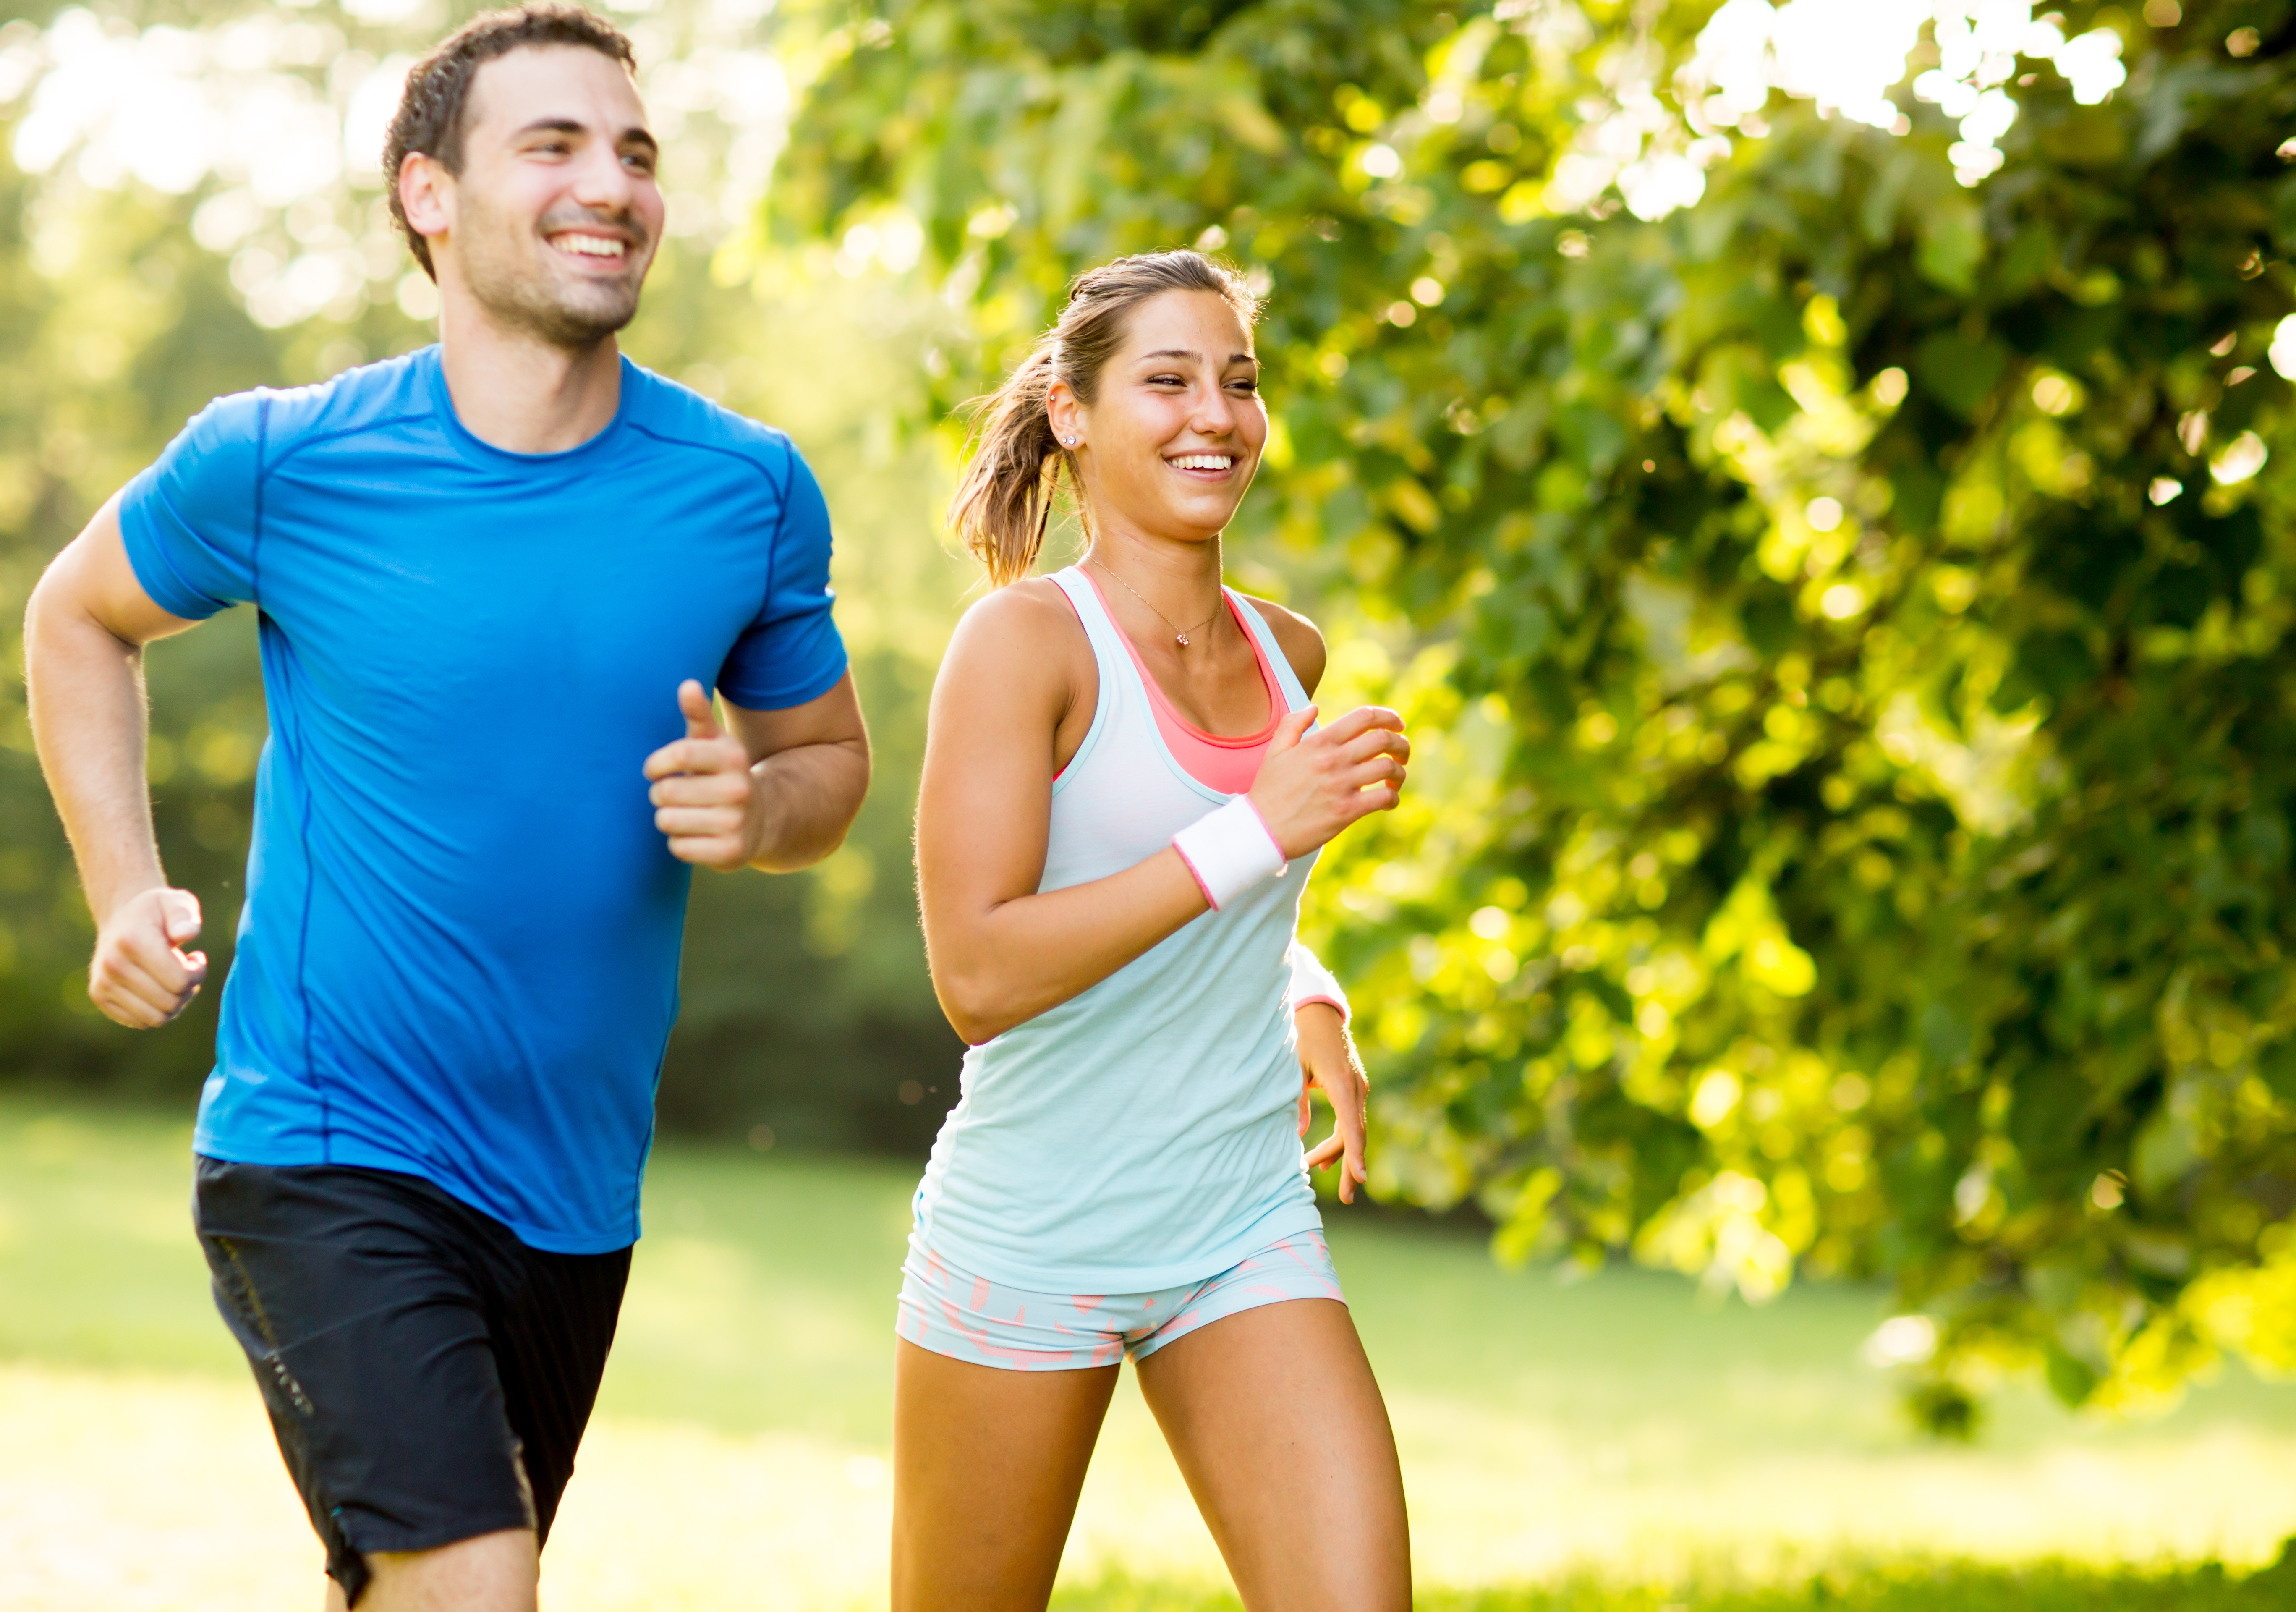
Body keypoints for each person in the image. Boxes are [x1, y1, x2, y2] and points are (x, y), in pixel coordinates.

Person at [20, 7, 868, 1608]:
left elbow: (829, 764)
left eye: (634, 152)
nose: (608, 183)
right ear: (429, 194)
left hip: (572, 1192)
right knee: (478, 1580)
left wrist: (759, 811)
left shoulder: (746, 488)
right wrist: (124, 889)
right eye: (552, 145)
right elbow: (76, 615)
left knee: (408, 1588)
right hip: (326, 1143)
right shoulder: (281, 463)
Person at [899, 249, 1414, 1612]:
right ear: (1071, 412)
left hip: (1239, 1215)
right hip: (1035, 1228)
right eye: (1167, 380)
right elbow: (979, 973)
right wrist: (1266, 826)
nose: (1217, 416)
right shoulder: (1023, 647)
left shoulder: (1284, 653)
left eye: (1240, 382)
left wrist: (1309, 990)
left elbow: (1183, 883)